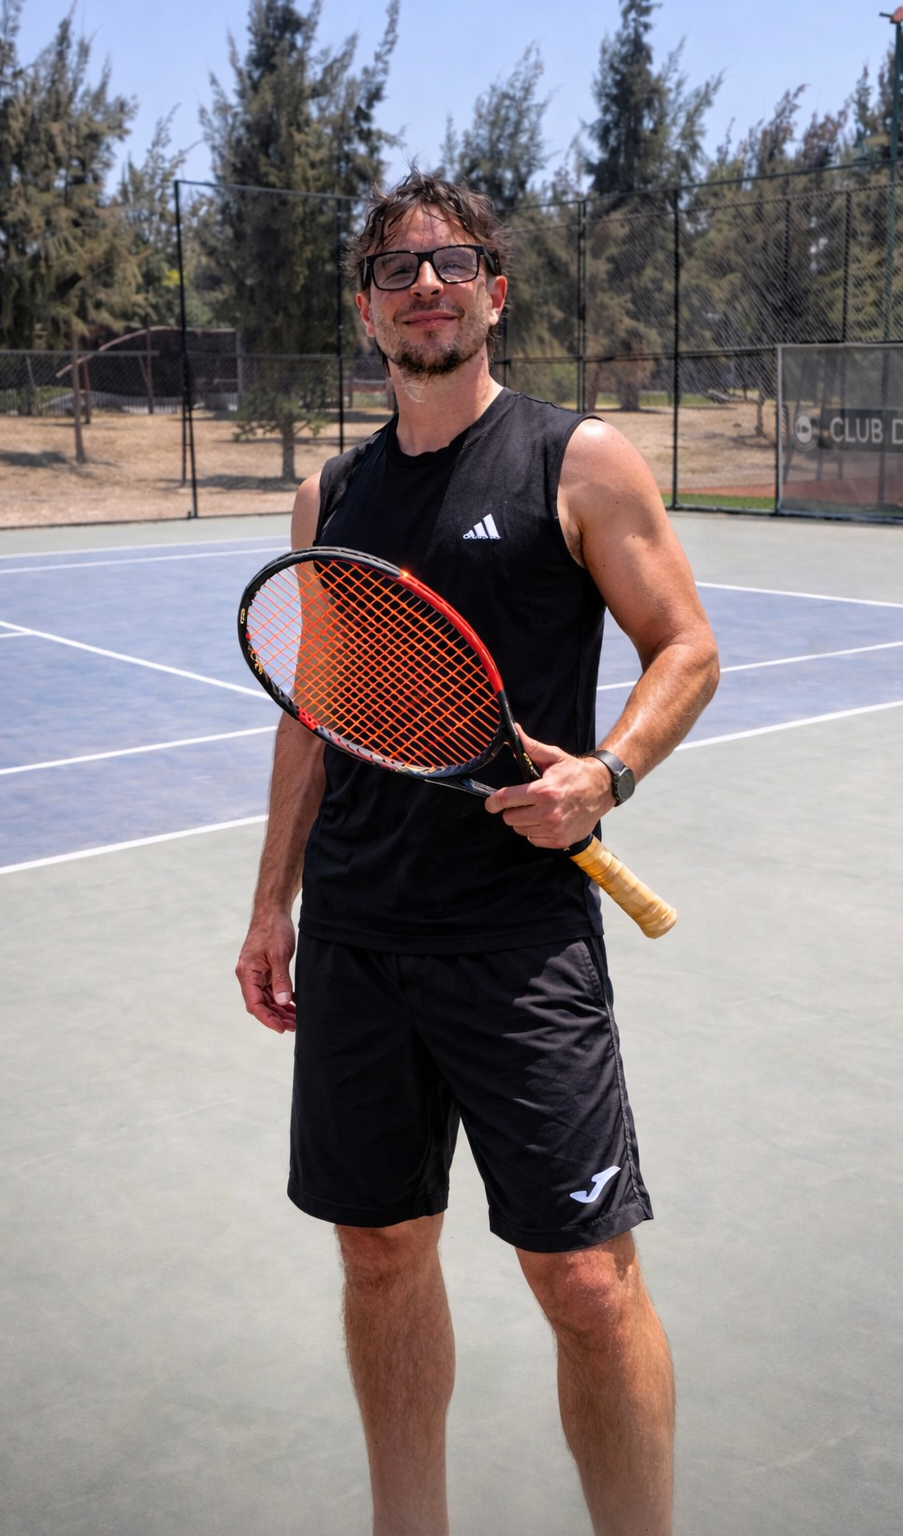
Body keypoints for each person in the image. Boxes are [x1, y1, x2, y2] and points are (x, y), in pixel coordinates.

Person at [236, 168, 720, 1536]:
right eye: (398, 272)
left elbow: (686, 645)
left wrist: (606, 772)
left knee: (585, 1283)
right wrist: (272, 903)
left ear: (495, 294)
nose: (428, 289)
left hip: (518, 941)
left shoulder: (581, 460)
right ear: (366, 312)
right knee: (381, 1252)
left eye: (452, 266)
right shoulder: (331, 494)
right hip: (360, 937)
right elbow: (312, 721)